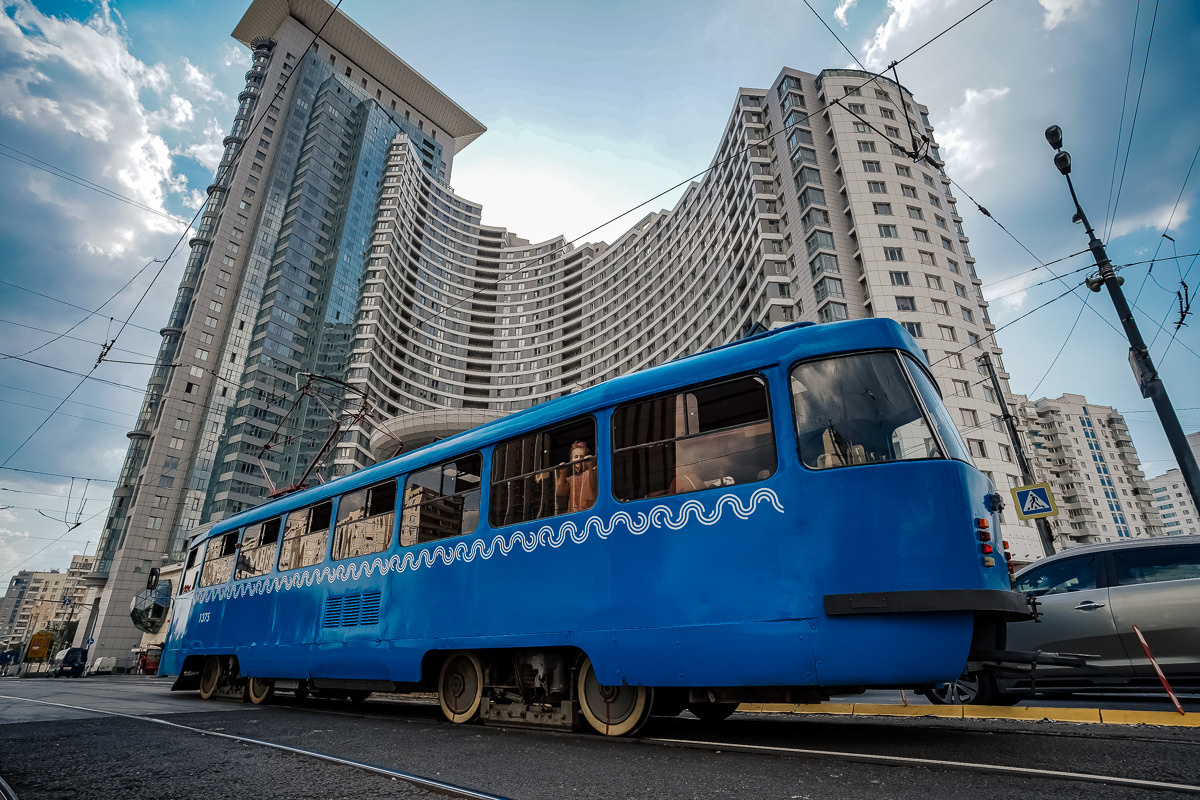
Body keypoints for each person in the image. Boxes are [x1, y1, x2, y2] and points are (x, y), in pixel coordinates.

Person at [555, 440, 598, 514]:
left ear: (586, 458)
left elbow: (593, 485)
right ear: (571, 460)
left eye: (582, 456)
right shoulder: (571, 479)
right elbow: (560, 493)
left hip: (590, 513)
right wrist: (563, 473)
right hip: (573, 516)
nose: (578, 459)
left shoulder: (593, 471)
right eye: (576, 457)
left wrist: (590, 465)